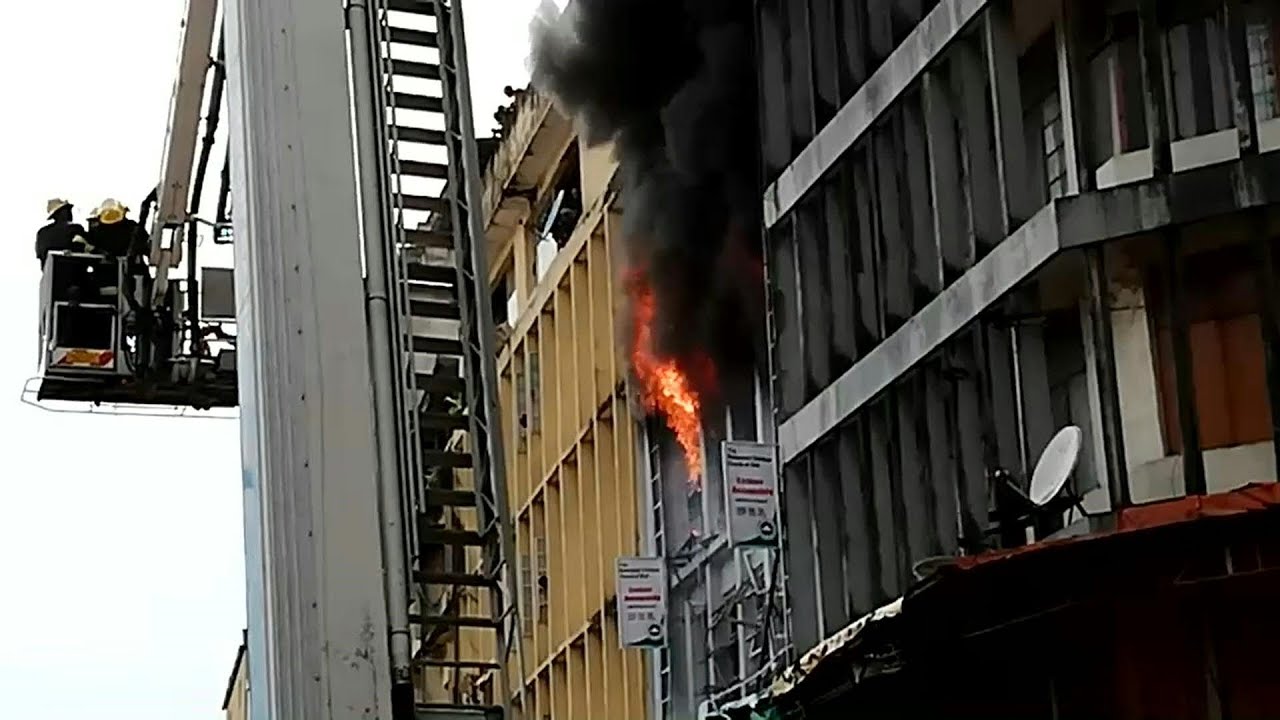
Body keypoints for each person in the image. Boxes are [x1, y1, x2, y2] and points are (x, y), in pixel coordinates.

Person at [35, 198, 87, 264]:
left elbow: (40, 254)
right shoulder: (75, 229)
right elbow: (87, 249)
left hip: (49, 269)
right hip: (72, 268)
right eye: (67, 210)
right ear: (60, 213)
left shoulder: (42, 232)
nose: (70, 213)